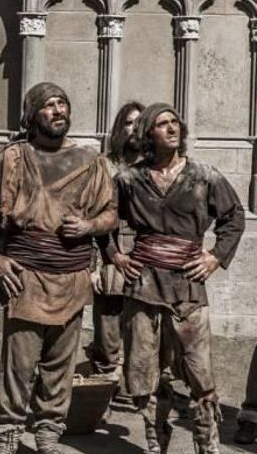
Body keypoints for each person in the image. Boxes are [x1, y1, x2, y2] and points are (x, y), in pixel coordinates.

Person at [0, 82, 117, 454]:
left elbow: (111, 215)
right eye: (48, 105)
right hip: (26, 278)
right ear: (32, 116)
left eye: (62, 103)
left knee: (60, 367)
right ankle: (8, 433)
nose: (58, 110)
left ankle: (48, 434)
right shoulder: (14, 159)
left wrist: (90, 226)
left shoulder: (90, 161)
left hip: (72, 278)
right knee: (18, 366)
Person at [109, 103, 245, 454]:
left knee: (200, 372)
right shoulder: (129, 180)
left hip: (187, 286)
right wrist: (116, 256)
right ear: (147, 134)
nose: (172, 129)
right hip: (143, 286)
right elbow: (104, 220)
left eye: (175, 123)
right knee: (144, 372)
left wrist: (215, 257)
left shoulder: (204, 176)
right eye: (162, 124)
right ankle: (156, 442)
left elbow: (233, 216)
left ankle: (207, 445)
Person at [88, 101, 144, 378]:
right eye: (129, 122)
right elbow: (90, 216)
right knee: (108, 336)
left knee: (143, 334)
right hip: (111, 254)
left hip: (147, 259)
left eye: (140, 123)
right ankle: (104, 386)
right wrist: (93, 266)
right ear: (119, 128)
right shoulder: (104, 165)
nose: (135, 129)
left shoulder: (155, 166)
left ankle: (136, 391)